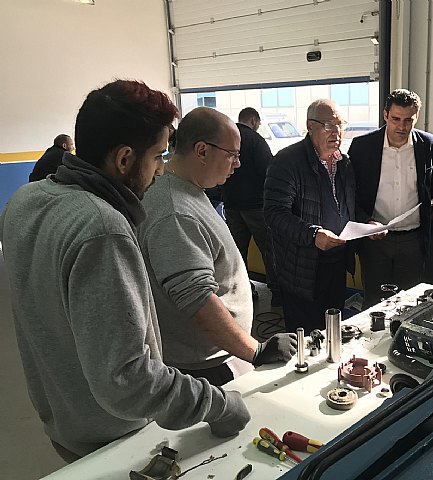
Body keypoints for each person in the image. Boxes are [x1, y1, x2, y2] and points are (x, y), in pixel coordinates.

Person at [0, 81, 250, 462]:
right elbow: (129, 380)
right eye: (157, 157)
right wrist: (217, 404)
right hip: (118, 438)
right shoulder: (102, 229)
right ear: (124, 159)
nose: (161, 171)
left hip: (64, 419)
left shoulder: (24, 201)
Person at [137, 106, 296, 386]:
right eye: (232, 155)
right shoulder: (175, 212)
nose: (238, 164)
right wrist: (256, 351)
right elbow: (198, 301)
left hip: (219, 355)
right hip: (202, 368)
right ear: (202, 151)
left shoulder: (189, 191)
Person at [264, 99, 355, 333]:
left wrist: (368, 224)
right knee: (305, 336)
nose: (336, 132)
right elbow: (274, 214)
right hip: (301, 268)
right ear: (310, 126)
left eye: (341, 125)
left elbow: (348, 205)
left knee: (333, 330)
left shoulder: (344, 162)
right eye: (328, 125)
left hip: (337, 261)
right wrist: (313, 235)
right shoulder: (287, 161)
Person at [348, 89, 433, 309]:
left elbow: (432, 189)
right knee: (374, 303)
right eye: (396, 119)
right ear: (385, 115)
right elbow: (350, 193)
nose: (401, 126)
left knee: (409, 303)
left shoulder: (430, 145)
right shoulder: (362, 146)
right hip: (375, 241)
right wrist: (366, 221)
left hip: (413, 240)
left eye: (408, 120)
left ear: (416, 117)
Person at [220, 107, 281, 306]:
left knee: (236, 252)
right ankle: (277, 293)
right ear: (254, 121)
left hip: (231, 205)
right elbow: (270, 172)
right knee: (269, 250)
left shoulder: (225, 138)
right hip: (256, 207)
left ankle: (242, 292)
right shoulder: (256, 141)